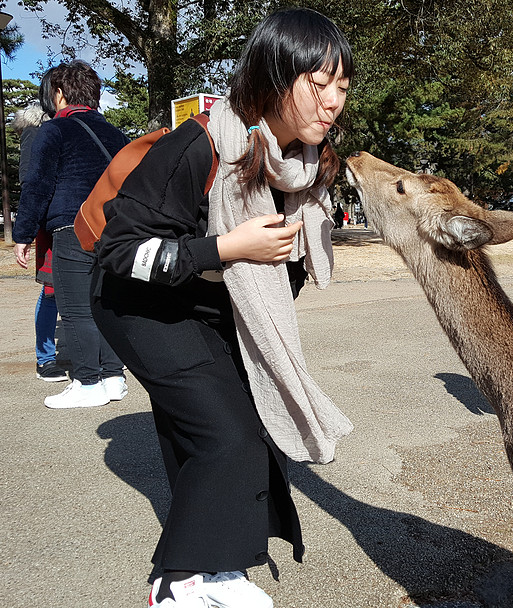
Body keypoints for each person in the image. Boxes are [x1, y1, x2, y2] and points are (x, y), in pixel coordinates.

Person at [90, 8, 354, 607]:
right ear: (272, 76)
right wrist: (227, 247)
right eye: (319, 83)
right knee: (227, 435)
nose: (333, 101)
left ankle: (219, 568)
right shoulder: (199, 146)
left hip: (208, 304)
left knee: (247, 422)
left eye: (341, 86)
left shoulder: (307, 166)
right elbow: (117, 252)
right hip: (137, 302)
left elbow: (280, 272)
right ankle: (178, 581)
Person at [13, 61, 130, 407]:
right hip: (113, 229)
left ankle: (87, 382)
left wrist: (24, 232)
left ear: (59, 94)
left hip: (72, 226)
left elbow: (38, 185)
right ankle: (113, 377)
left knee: (77, 308)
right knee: (108, 303)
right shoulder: (116, 134)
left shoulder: (54, 131)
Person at [13, 102, 67, 382]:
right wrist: (25, 233)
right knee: (51, 290)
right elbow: (29, 183)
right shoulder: (36, 131)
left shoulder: (70, 124)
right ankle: (45, 358)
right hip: (52, 222)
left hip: (79, 219)